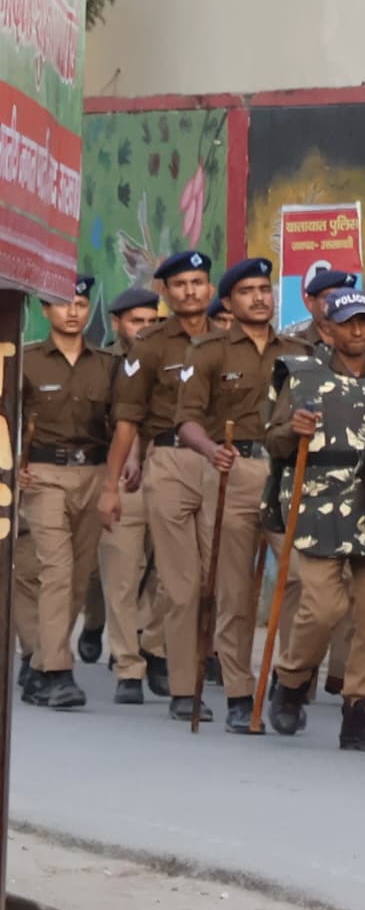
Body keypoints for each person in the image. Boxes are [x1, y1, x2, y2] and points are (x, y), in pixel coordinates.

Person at [263, 288, 365, 743]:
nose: (358, 330)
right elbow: (274, 442)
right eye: (347, 322)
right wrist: (294, 429)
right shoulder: (300, 374)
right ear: (326, 329)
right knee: (324, 606)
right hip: (319, 501)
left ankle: (360, 707)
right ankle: (290, 680)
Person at [152, 255, 286, 728]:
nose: (259, 298)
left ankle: (288, 683)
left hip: (289, 475)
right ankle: (237, 692)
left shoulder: (298, 353)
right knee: (232, 590)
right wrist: (211, 450)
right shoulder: (208, 351)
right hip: (234, 469)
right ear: (228, 301)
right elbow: (186, 419)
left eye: (265, 290)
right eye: (248, 291)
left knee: (306, 582)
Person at [16, 280, 120, 709]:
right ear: (45, 310)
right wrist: (12, 468)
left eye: (80, 304)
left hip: (94, 471)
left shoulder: (108, 364)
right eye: (62, 305)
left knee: (78, 578)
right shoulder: (27, 361)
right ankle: (59, 671)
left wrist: (116, 480)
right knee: (55, 570)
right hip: (42, 472)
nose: (73, 313)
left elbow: (122, 424)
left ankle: (40, 664)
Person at [94, 278, 175, 701]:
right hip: (119, 476)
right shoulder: (103, 364)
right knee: (122, 575)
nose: (144, 328)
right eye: (135, 321)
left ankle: (153, 644)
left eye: (151, 320)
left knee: (171, 574)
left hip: (164, 472)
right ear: (117, 323)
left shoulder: (170, 358)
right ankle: (128, 665)